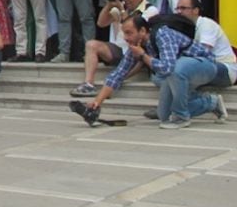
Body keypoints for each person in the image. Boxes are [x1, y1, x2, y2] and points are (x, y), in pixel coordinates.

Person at [87, 15, 228, 129]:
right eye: (124, 33)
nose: (126, 37)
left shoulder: (163, 35)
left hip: (205, 65)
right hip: (179, 72)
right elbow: (119, 73)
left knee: (175, 69)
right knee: (163, 115)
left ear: (142, 31)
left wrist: (143, 56)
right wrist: (97, 102)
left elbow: (167, 68)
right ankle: (212, 103)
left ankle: (181, 118)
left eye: (129, 33)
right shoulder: (137, 46)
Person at [70, 0, 158, 97]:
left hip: (137, 51)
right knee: (91, 44)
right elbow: (101, 23)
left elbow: (133, 27)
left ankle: (115, 82)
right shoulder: (123, 7)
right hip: (119, 49)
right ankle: (88, 84)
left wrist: (121, 9)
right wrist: (109, 4)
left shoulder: (151, 10)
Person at [175, 0, 236, 88]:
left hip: (225, 69)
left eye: (183, 8)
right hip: (204, 67)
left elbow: (203, 52)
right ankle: (199, 101)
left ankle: (206, 101)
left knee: (182, 71)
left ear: (196, 10)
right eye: (177, 8)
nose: (179, 12)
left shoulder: (207, 24)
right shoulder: (186, 28)